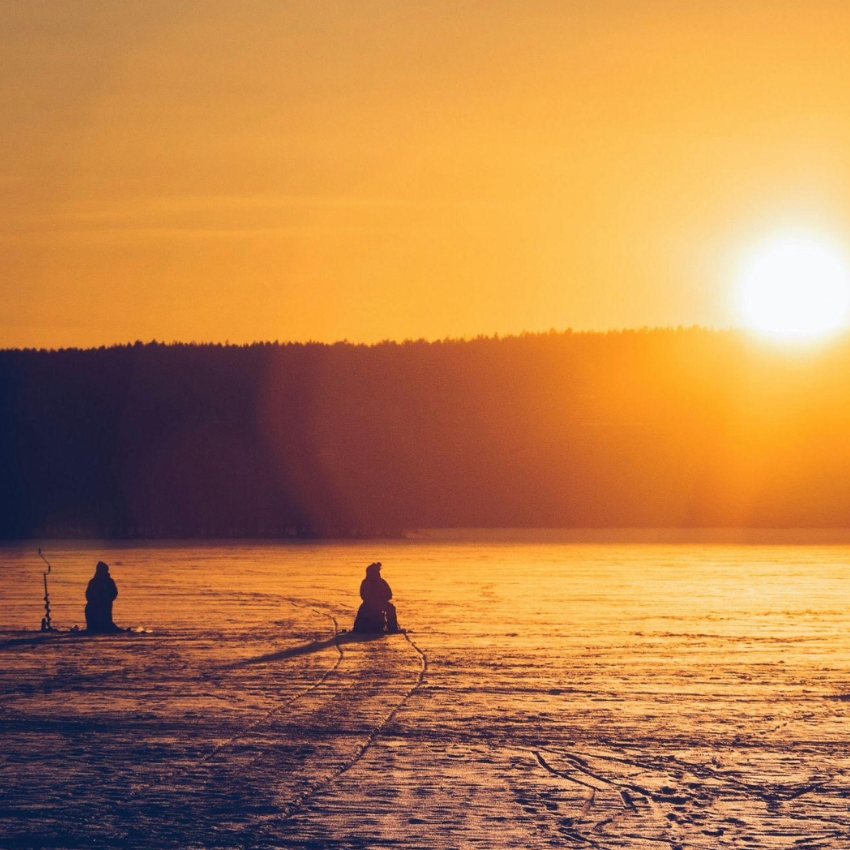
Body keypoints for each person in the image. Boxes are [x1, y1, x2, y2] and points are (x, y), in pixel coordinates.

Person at [352, 562, 400, 634]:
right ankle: (392, 628)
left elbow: (389, 594)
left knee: (391, 608)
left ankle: (392, 628)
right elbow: (363, 595)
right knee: (390, 608)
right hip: (370, 604)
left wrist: (381, 599)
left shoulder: (378, 582)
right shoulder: (369, 582)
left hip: (376, 603)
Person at [85, 561, 121, 633]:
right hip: (93, 607)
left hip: (104, 606)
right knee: (94, 627)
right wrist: (95, 601)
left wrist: (107, 600)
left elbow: (114, 592)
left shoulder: (108, 581)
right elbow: (88, 594)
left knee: (106, 624)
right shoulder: (93, 581)